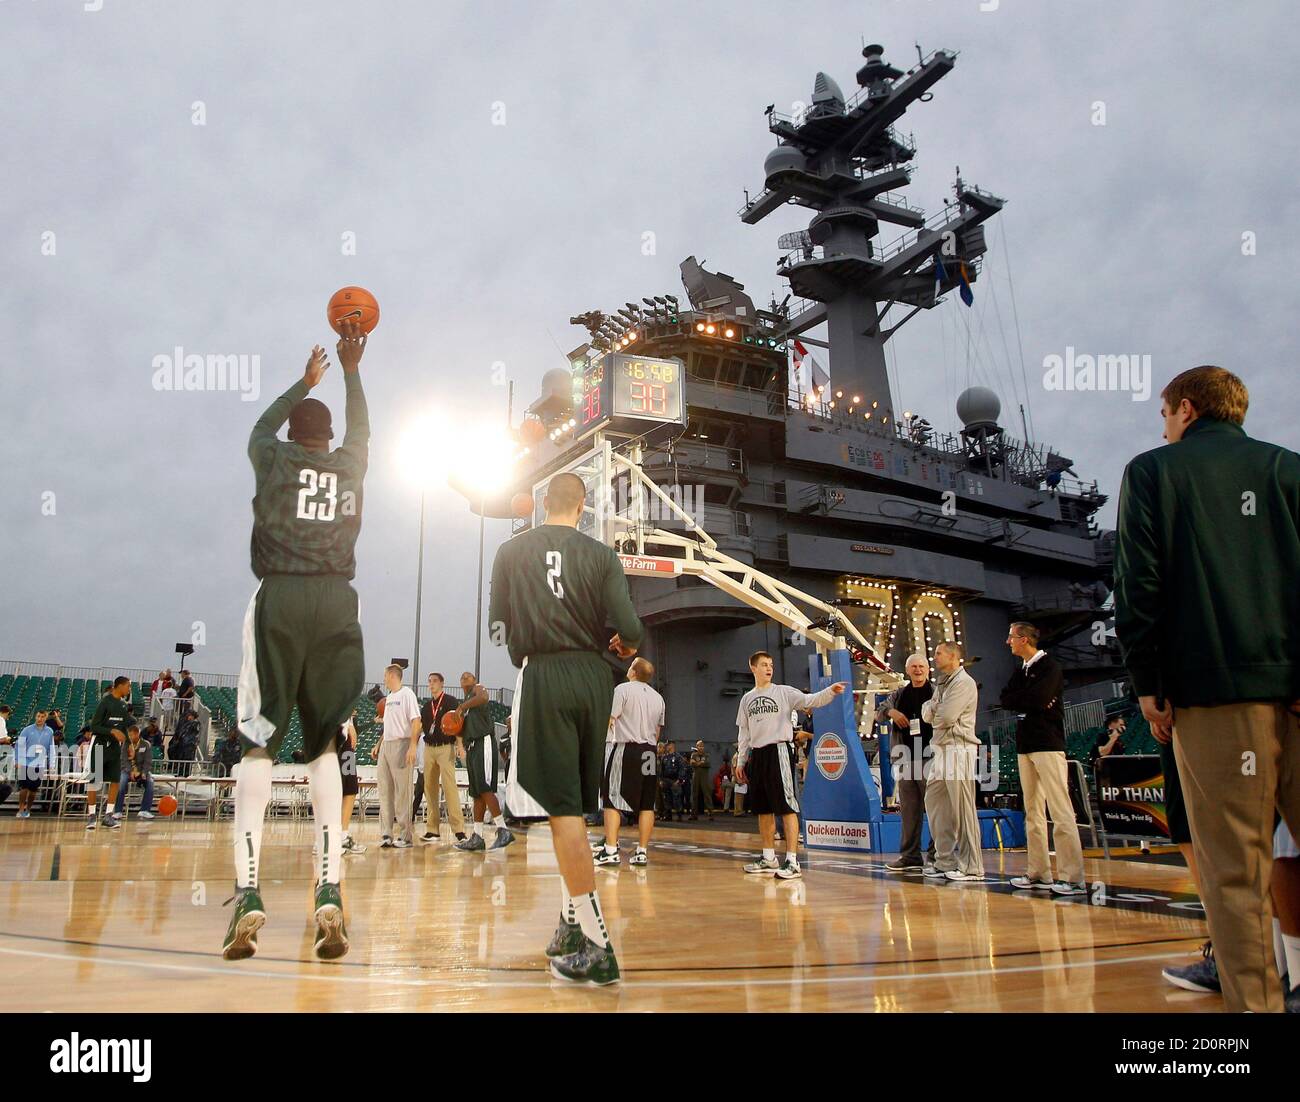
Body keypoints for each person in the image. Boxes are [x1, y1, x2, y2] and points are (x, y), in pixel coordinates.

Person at [1114, 364, 1300, 1013]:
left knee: (1235, 878)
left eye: (1165, 415)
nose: (1163, 428)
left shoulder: (1153, 473)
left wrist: (1149, 679)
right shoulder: (1288, 469)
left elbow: (1138, 587)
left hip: (1220, 696)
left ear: (1186, 409)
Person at [224, 320, 369, 963]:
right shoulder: (349, 463)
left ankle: (250, 895)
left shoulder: (274, 456)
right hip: (338, 603)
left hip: (280, 596)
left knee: (258, 743)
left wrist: (304, 381)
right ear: (330, 437)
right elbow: (365, 430)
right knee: (323, 752)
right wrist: (352, 370)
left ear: (293, 435)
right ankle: (329, 893)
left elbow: (258, 427)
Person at [488, 469, 644, 985]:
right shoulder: (602, 556)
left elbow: (500, 627)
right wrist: (625, 647)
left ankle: (598, 942)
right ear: (581, 507)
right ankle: (570, 925)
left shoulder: (512, 552)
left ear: (541, 504)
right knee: (576, 806)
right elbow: (631, 628)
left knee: (561, 813)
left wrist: (521, 647)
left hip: (547, 672)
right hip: (595, 677)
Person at [735, 651, 846, 880]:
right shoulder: (747, 699)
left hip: (779, 751)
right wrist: (742, 758)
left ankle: (793, 861)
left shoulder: (783, 692)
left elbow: (810, 700)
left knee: (786, 806)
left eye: (771, 665)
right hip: (758, 754)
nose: (769, 668)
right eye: (764, 665)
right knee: (763, 809)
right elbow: (744, 732)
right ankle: (768, 857)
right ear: (753, 667)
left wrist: (830, 692)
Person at [1000, 622, 1085, 895]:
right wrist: (1027, 699)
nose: (1007, 642)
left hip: (1047, 743)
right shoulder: (1021, 670)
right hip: (1025, 745)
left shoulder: (1050, 667)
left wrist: (1026, 699)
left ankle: (1073, 876)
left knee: (1060, 811)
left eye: (1011, 637)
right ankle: (1038, 871)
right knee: (1033, 812)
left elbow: (1038, 699)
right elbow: (1006, 698)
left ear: (1024, 639)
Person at [921, 641, 984, 882]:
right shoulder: (942, 683)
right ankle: (944, 860)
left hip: (959, 748)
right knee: (935, 802)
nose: (934, 657)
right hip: (941, 749)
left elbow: (944, 717)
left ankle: (972, 866)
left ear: (953, 656)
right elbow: (927, 714)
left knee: (963, 808)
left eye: (938, 654)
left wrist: (935, 709)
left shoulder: (963, 683)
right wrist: (936, 709)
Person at [594, 657, 665, 867]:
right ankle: (642, 851)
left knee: (611, 799)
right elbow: (658, 731)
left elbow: (611, 718)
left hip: (625, 747)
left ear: (633, 671)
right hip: (650, 751)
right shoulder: (658, 698)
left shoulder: (622, 690)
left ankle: (610, 850)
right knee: (647, 803)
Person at [877, 652, 936, 872]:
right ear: (908, 669)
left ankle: (936, 855)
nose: (918, 670)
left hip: (931, 757)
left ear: (928, 669)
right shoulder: (899, 694)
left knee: (934, 810)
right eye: (914, 667)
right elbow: (879, 713)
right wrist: (892, 711)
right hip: (906, 758)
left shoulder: (936, 692)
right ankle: (910, 856)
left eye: (922, 666)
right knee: (910, 811)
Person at [453, 672, 514, 851]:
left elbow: (484, 697)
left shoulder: (478, 690)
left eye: (468, 676)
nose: (464, 677)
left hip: (483, 742)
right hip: (471, 746)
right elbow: (460, 729)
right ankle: (478, 836)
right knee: (477, 793)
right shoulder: (464, 704)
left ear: (474, 681)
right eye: (462, 677)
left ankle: (503, 830)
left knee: (485, 788)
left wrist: (462, 707)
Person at [371, 665, 422, 849]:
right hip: (387, 745)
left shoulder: (407, 694)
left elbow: (416, 721)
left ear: (392, 675)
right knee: (385, 790)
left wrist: (413, 746)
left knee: (402, 793)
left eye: (385, 676)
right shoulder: (389, 698)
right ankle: (386, 833)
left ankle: (405, 835)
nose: (383, 679)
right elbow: (387, 727)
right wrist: (378, 745)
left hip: (402, 743)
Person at [418, 673, 467, 845]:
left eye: (434, 681)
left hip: (446, 748)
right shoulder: (425, 707)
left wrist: (460, 745)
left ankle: (459, 830)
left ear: (442, 683)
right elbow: (420, 729)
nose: (431, 684)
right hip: (429, 749)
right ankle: (433, 829)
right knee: (429, 789)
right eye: (429, 681)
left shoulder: (451, 702)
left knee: (449, 787)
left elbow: (458, 725)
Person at [86, 677, 132, 831]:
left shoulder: (124, 705)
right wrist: (112, 731)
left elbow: (124, 727)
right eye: (128, 686)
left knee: (115, 781)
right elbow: (94, 726)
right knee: (94, 781)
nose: (129, 689)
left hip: (114, 748)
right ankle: (92, 816)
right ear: (119, 686)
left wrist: (130, 744)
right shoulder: (105, 702)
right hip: (100, 745)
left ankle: (108, 815)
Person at [14, 709, 55, 819]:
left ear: (45, 718)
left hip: (39, 764)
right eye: (38, 716)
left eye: (42, 717)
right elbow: (19, 745)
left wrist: (52, 764)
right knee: (24, 788)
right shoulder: (27, 730)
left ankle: (28, 810)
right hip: (26, 763)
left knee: (33, 791)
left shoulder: (49, 731)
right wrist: (17, 760)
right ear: (35, 717)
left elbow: (51, 748)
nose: (39, 719)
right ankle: (20, 809)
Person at [113, 724, 156, 820]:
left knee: (150, 782)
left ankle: (145, 810)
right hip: (127, 771)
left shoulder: (146, 744)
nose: (130, 737)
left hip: (142, 770)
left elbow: (148, 761)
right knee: (121, 783)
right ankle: (118, 811)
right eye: (129, 735)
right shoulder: (126, 744)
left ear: (137, 734)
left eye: (132, 735)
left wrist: (144, 772)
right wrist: (130, 771)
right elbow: (124, 759)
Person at [336, 713, 365, 855]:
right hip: (334, 737)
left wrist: (351, 724)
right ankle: (324, 839)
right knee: (334, 789)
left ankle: (343, 835)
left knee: (350, 788)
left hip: (346, 743)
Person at [688, 740, 714, 821]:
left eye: (702, 746)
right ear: (697, 746)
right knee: (694, 795)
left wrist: (697, 763)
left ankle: (710, 813)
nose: (701, 747)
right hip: (695, 777)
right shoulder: (693, 754)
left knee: (707, 795)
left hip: (704, 778)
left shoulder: (706, 755)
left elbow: (707, 763)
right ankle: (693, 814)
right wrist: (700, 763)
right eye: (699, 746)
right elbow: (691, 763)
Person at [659, 741, 686, 821]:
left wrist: (679, 779)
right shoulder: (665, 757)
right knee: (666, 798)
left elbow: (682, 769)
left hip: (675, 780)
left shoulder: (678, 757)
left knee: (676, 798)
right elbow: (661, 770)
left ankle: (679, 814)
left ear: (672, 745)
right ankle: (668, 815)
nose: (666, 747)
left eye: (668, 745)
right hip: (666, 780)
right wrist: (661, 780)